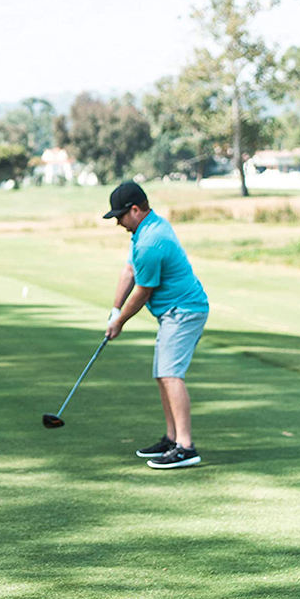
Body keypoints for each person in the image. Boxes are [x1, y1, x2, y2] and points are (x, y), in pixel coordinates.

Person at [103, 181, 208, 470]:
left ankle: (185, 447)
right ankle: (172, 438)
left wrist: (119, 322)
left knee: (171, 374)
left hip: (185, 311)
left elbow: (142, 290)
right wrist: (114, 309)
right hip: (173, 312)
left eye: (120, 216)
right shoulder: (143, 231)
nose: (118, 223)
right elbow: (129, 270)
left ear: (135, 210)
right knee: (162, 374)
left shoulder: (151, 240)